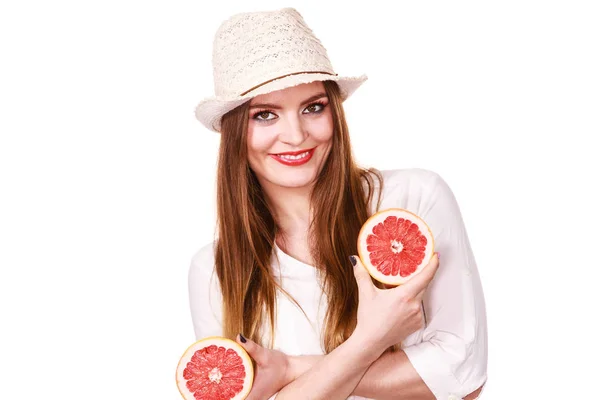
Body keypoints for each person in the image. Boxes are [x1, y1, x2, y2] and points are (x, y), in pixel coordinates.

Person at [188, 7, 487, 400]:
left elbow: (462, 376)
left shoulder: (411, 200)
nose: (295, 135)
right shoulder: (214, 271)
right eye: (265, 115)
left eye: (313, 107)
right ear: (234, 134)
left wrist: (290, 370)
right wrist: (371, 340)